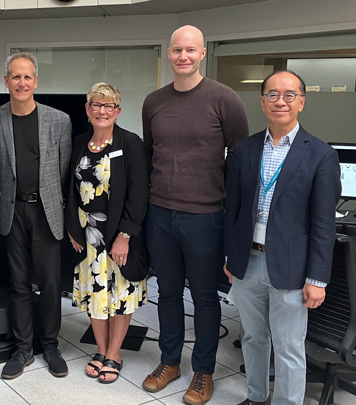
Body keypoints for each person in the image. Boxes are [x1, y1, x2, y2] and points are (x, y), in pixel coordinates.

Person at [141, 25, 249, 404]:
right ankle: (170, 362)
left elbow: (240, 159)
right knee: (167, 293)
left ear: (203, 53)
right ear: (168, 54)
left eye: (190, 50)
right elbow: (152, 153)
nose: (183, 56)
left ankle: (203, 372)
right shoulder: (153, 101)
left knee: (204, 297)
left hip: (205, 217)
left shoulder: (225, 99)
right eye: (176, 50)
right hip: (160, 214)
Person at [224, 70, 341, 405]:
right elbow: (232, 210)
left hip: (291, 266)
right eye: (273, 94)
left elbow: (323, 224)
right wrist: (231, 257)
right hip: (248, 261)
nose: (281, 101)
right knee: (252, 339)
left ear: (301, 102)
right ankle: (257, 397)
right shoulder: (244, 150)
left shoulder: (320, 154)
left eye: (290, 95)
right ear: (262, 102)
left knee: (289, 346)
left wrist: (317, 278)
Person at [0, 52, 72, 380]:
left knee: (50, 284)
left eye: (27, 77)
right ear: (6, 81)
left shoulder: (59, 120)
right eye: (15, 77)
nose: (21, 83)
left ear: (36, 81)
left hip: (46, 211)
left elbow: (62, 172)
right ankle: (22, 348)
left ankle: (50, 344)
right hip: (10, 212)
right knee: (18, 284)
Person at [65, 82, 150, 384]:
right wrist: (73, 230)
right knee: (95, 295)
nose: (102, 111)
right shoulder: (79, 142)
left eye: (109, 105)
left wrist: (125, 235)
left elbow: (139, 193)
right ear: (87, 110)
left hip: (118, 238)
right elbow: (71, 190)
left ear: (118, 111)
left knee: (119, 296)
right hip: (87, 239)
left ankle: (115, 353)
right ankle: (100, 350)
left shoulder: (130, 143)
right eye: (96, 105)